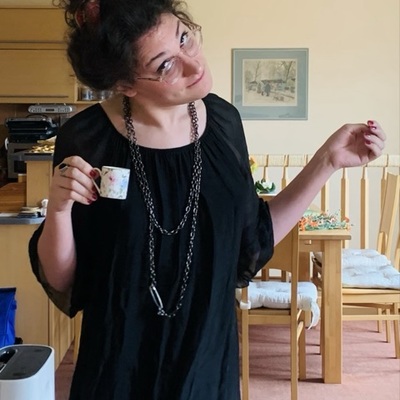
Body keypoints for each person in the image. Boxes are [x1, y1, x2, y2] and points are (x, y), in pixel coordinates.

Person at [28, 0, 386, 399]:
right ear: (126, 84)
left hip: (207, 364)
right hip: (117, 371)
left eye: (184, 39)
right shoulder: (87, 138)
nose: (193, 64)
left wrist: (327, 161)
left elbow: (253, 240)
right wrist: (58, 209)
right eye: (166, 64)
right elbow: (65, 279)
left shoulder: (224, 125)